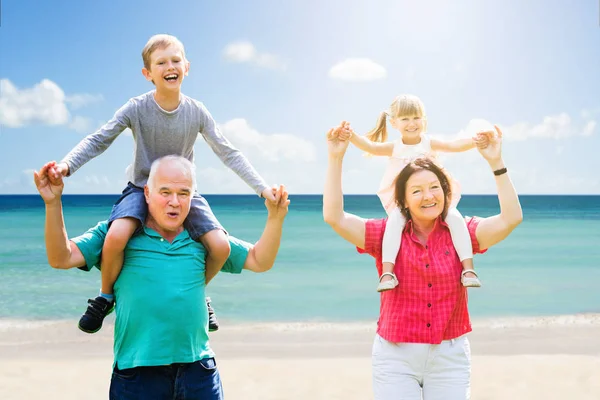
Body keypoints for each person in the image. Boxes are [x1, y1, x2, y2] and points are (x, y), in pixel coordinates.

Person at [43, 34, 276, 334]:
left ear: (187, 67)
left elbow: (228, 152)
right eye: (161, 62)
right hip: (142, 188)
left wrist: (262, 188)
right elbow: (99, 139)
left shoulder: (197, 111)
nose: (170, 66)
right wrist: (66, 165)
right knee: (116, 237)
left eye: (176, 60)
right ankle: (104, 296)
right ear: (148, 73)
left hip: (183, 192)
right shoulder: (136, 108)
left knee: (219, 246)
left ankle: (198, 293)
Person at [34, 155, 289, 400]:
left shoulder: (202, 235)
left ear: (194, 197)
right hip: (137, 376)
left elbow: (259, 260)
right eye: (165, 192)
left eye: (183, 193)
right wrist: (53, 203)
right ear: (147, 193)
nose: (175, 202)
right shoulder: (118, 234)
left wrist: (275, 218)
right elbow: (61, 257)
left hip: (198, 371)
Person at [323, 122, 522, 399]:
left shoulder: (462, 232)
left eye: (434, 187)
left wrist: (496, 162)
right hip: (395, 358)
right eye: (416, 191)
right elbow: (335, 217)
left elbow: (511, 218)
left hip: (449, 358)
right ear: (403, 201)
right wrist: (336, 158)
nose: (428, 196)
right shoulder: (385, 235)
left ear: (446, 192)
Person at [338, 94, 486, 292]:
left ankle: (468, 269)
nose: (412, 123)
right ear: (394, 123)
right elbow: (371, 147)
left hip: (432, 198)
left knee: (454, 217)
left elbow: (454, 145)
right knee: (394, 223)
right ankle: (388, 272)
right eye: (405, 119)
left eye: (416, 118)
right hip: (406, 200)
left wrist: (476, 141)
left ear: (424, 120)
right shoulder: (395, 147)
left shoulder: (429, 142)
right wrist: (351, 135)